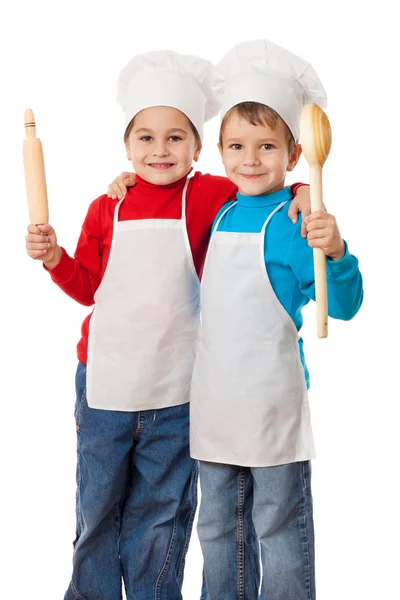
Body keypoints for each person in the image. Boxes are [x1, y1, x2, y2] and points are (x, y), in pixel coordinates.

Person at [189, 39, 364, 600]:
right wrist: (123, 182)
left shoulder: (297, 221)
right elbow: (166, 191)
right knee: (217, 529)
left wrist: (335, 251)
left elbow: (344, 306)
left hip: (272, 405)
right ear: (219, 151)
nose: (250, 159)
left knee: (279, 528)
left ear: (294, 155)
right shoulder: (218, 209)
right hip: (213, 405)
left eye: (267, 146)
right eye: (236, 145)